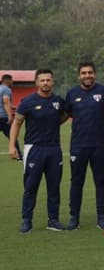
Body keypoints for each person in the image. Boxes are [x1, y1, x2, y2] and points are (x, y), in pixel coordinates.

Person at [9, 69, 68, 233]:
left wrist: (54, 125)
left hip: (54, 149)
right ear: (36, 83)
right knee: (31, 186)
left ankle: (53, 220)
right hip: (34, 149)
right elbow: (16, 123)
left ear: (52, 81)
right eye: (42, 80)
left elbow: (64, 116)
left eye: (48, 80)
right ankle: (27, 220)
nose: (45, 83)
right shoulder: (27, 101)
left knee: (54, 187)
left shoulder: (58, 101)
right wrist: (12, 145)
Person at [64, 61, 104, 230]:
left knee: (100, 181)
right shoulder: (72, 93)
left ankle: (101, 216)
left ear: (95, 74)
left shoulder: (102, 90)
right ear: (79, 76)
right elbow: (66, 113)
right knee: (76, 181)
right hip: (78, 145)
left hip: (99, 145)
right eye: (84, 73)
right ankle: (74, 217)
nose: (87, 75)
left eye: (90, 72)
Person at [1, 73, 22, 159]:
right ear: (8, 80)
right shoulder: (6, 89)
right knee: (12, 134)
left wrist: (13, 107)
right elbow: (5, 101)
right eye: (12, 80)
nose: (12, 82)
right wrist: (10, 115)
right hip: (3, 117)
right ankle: (17, 154)